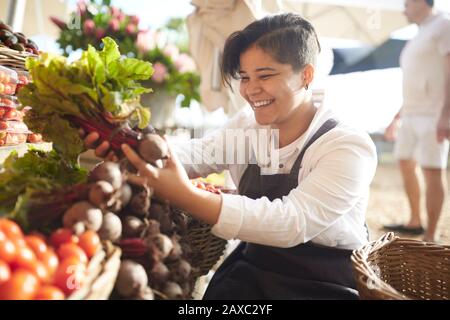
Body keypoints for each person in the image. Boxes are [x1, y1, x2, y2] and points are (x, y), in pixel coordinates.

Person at [84, 13, 377, 299]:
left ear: (306, 75)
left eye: (265, 75)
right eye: (245, 77)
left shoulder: (346, 145)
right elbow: (200, 153)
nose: (250, 90)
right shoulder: (248, 125)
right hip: (254, 267)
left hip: (323, 284)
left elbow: (292, 222)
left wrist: (187, 196)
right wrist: (129, 146)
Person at [384, 0, 450, 242]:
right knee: (404, 162)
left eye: (407, 3)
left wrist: (446, 115)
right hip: (411, 113)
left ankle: (431, 234)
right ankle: (415, 221)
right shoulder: (419, 34)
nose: (404, 8)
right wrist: (396, 117)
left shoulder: (444, 25)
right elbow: (416, 79)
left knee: (432, 170)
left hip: (433, 114)